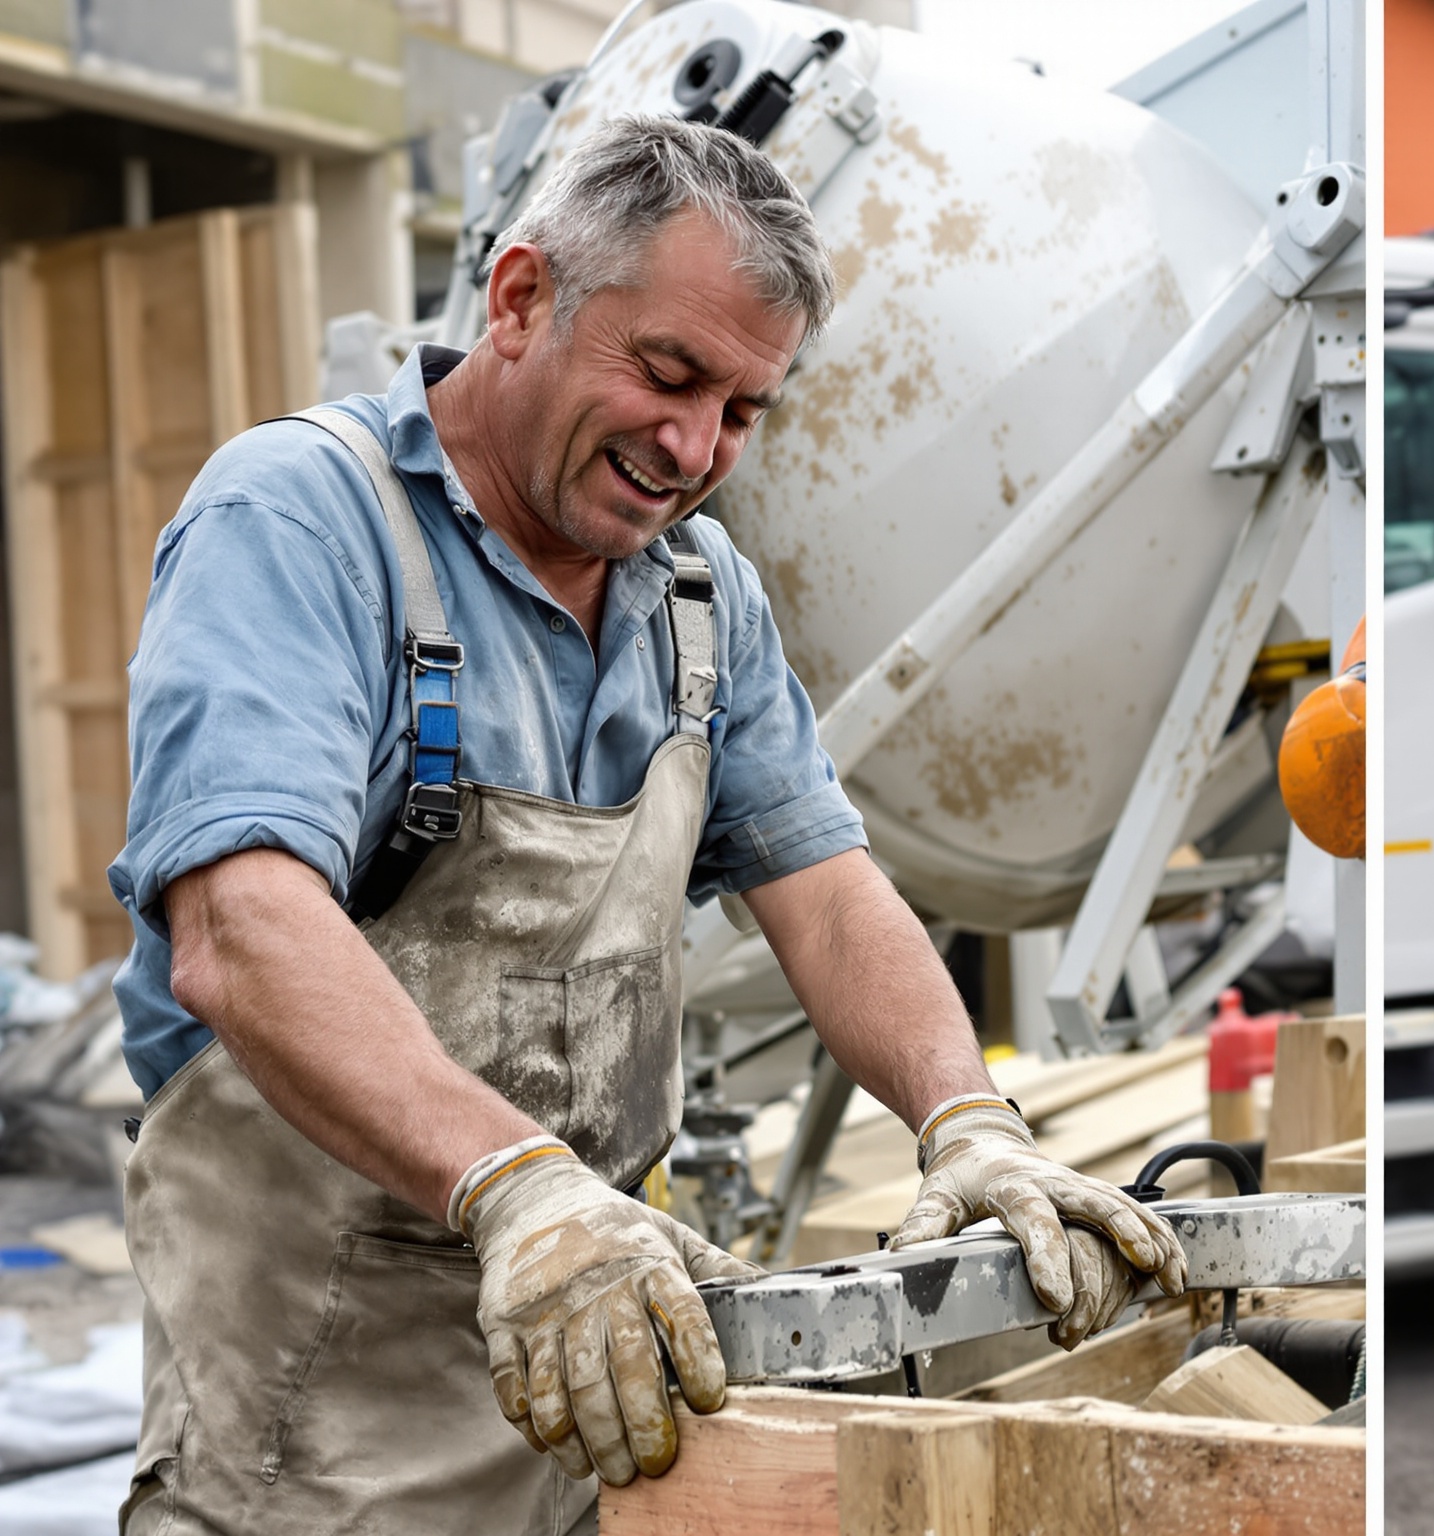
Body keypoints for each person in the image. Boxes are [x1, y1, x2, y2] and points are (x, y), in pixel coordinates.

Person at [108, 116, 1184, 1536]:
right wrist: (519, 1191)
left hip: (602, 1403)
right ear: (518, 298)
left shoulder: (698, 596)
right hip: (308, 1452)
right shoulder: (301, 523)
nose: (694, 449)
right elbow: (241, 933)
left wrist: (970, 1122)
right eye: (667, 375)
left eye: (744, 412)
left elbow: (829, 892)